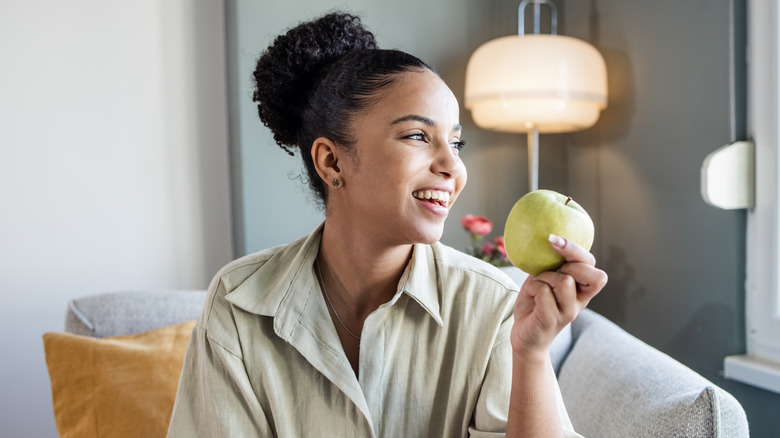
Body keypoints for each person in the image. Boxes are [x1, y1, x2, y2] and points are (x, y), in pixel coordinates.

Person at [167, 12, 607, 438]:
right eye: (418, 136)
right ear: (331, 160)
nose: (452, 166)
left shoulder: (494, 307)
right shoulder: (239, 303)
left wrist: (530, 354)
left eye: (456, 143)